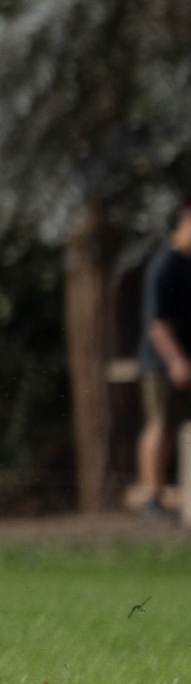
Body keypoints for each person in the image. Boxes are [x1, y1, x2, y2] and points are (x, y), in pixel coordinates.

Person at [135, 200, 191, 521]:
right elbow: (156, 323)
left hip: (182, 362)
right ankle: (151, 498)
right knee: (158, 425)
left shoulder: (187, 264)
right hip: (161, 363)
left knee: (172, 429)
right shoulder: (165, 264)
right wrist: (176, 360)